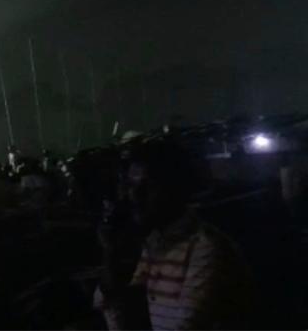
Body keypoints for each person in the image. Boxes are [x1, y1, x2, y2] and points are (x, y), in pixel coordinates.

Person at [94, 141, 255, 330]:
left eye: (149, 186)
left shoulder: (206, 249)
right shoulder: (154, 244)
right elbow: (120, 316)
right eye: (132, 185)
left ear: (175, 189)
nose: (135, 196)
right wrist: (111, 255)